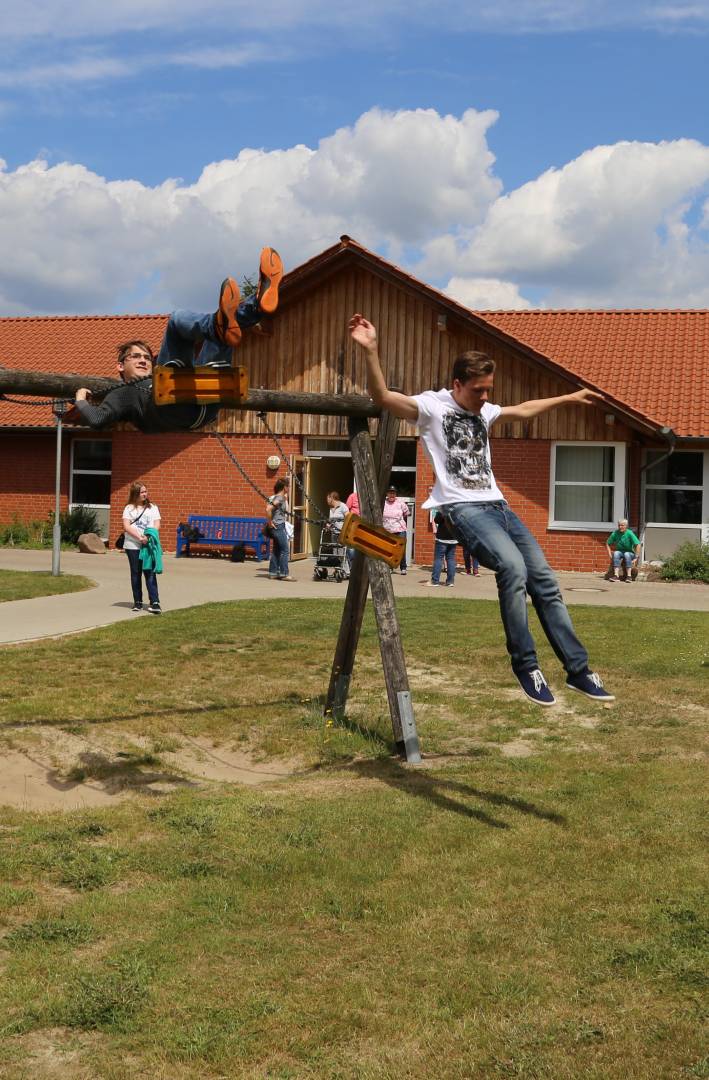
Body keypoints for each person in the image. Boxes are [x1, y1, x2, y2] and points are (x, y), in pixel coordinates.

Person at [349, 312, 615, 706]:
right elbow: (383, 398)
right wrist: (371, 351)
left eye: (489, 390)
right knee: (513, 569)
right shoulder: (431, 407)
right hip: (462, 508)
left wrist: (570, 398)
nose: (485, 398)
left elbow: (523, 410)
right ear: (457, 384)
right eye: (478, 390)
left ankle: (577, 671)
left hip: (500, 507)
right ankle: (526, 665)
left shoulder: (485, 410)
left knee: (544, 580)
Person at [73, 247, 283, 433]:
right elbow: (97, 419)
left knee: (222, 334)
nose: (143, 360)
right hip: (172, 405)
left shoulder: (156, 377)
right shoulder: (123, 392)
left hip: (205, 401)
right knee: (176, 321)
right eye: (134, 357)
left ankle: (256, 305)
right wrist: (80, 400)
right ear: (120, 366)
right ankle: (224, 321)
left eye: (146, 357)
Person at [122, 481, 162, 613]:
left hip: (148, 544)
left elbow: (157, 524)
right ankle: (137, 602)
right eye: (142, 492)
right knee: (136, 572)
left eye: (146, 491)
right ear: (135, 494)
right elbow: (127, 526)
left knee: (149, 572)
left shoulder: (153, 507)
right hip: (132, 544)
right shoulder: (129, 508)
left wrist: (149, 537)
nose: (145, 494)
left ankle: (155, 602)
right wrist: (139, 537)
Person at [267, 477, 294, 581]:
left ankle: (273, 573)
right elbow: (268, 509)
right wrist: (270, 523)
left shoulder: (279, 497)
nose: (289, 488)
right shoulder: (279, 498)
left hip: (278, 526)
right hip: (277, 527)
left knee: (276, 550)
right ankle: (284, 573)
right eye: (288, 486)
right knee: (285, 550)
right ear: (284, 487)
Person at [423, 510, 458, 587]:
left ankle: (435, 581)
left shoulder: (444, 507)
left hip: (442, 537)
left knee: (438, 559)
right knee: (451, 559)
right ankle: (450, 581)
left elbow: (437, 520)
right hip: (454, 537)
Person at [382, 485, 409, 574]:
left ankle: (403, 567)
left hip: (400, 528)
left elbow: (406, 513)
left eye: (393, 493)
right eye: (390, 493)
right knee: (389, 549)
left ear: (395, 494)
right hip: (388, 529)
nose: (392, 495)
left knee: (401, 549)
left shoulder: (401, 503)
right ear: (387, 494)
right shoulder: (383, 503)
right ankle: (390, 567)